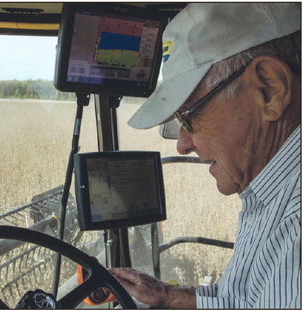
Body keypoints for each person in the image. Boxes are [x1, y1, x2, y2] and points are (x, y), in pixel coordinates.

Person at [110, 3, 300, 309]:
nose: (182, 145)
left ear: (269, 89)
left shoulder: (296, 221)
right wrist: (171, 297)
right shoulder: (272, 193)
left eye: (188, 117)